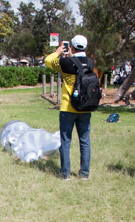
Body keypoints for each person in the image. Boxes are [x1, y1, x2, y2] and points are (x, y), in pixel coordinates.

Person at [44, 35, 94, 181]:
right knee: (85, 141)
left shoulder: (66, 62)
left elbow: (48, 61)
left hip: (68, 107)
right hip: (85, 107)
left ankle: (65, 173)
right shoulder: (90, 62)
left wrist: (58, 52)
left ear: (71, 46)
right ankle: (84, 173)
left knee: (65, 141)